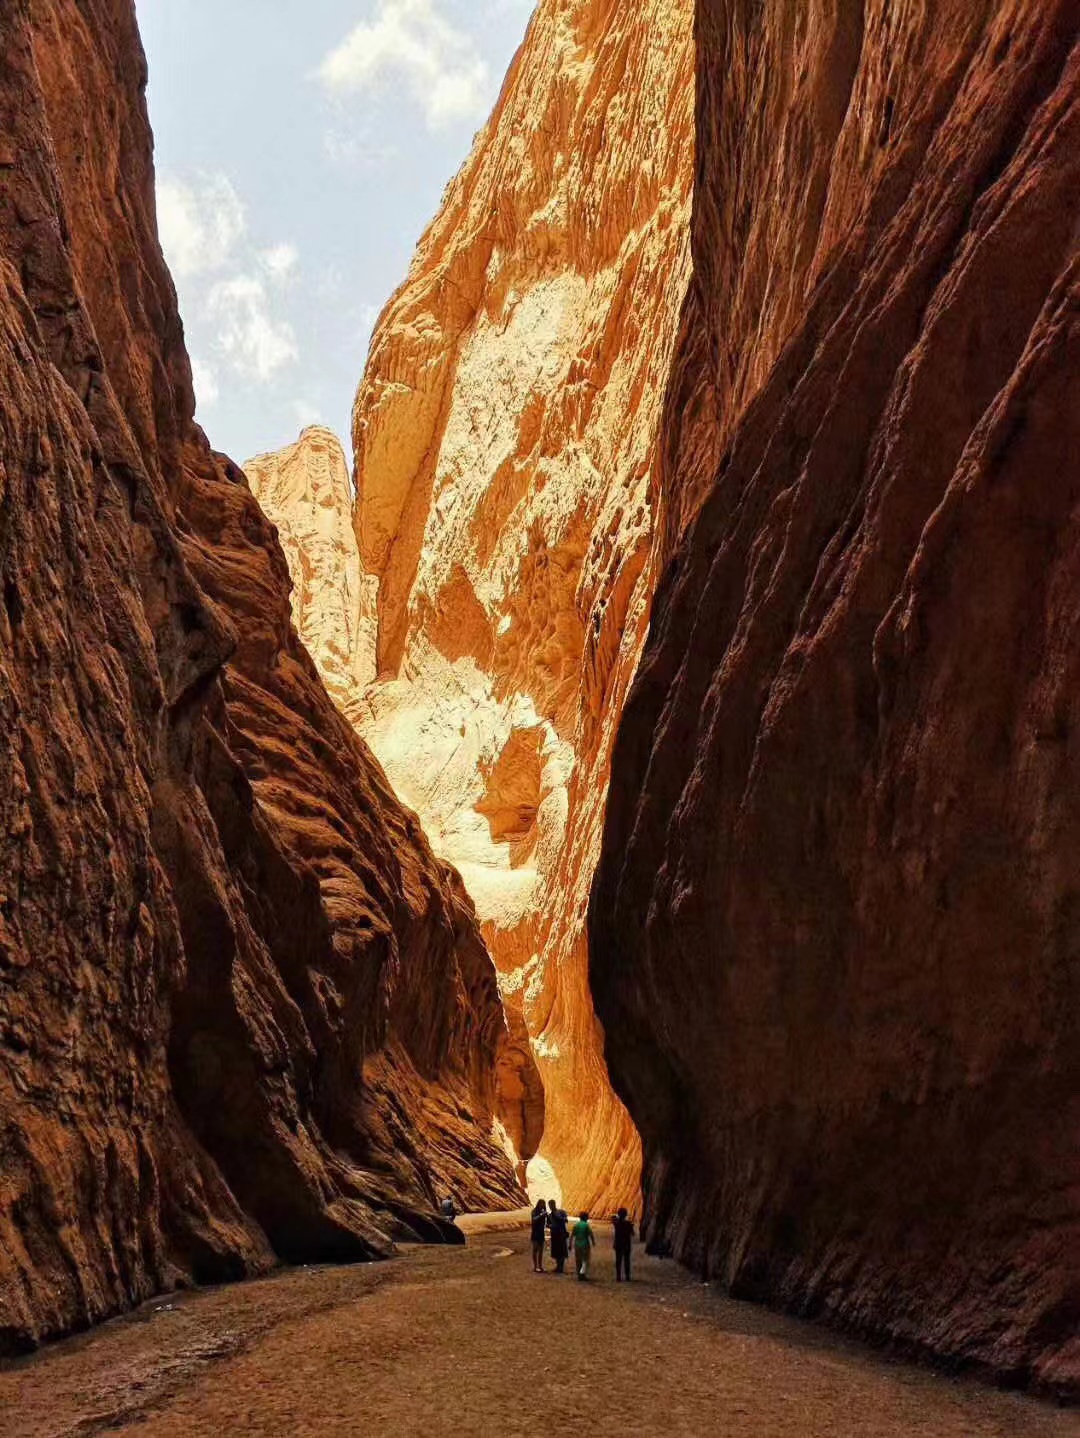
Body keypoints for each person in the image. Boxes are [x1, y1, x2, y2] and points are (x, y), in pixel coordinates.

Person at [547, 1199, 569, 1274]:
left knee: (561, 1250)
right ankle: (558, 1266)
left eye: (551, 1205)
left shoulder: (561, 1212)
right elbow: (547, 1224)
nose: (550, 1206)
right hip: (554, 1234)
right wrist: (551, 1226)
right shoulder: (550, 1215)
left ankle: (561, 1267)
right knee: (556, 1251)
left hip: (561, 1234)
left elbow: (565, 1220)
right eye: (549, 1205)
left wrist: (557, 1218)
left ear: (554, 1204)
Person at [612, 1207, 635, 1281]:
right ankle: (627, 1277)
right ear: (626, 1214)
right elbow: (632, 1234)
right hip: (626, 1244)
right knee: (626, 1260)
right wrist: (631, 1227)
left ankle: (618, 1276)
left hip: (618, 1244)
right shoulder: (628, 1224)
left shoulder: (616, 1223)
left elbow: (613, 1218)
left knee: (618, 1260)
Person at [571, 1211, 595, 1280]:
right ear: (586, 1218)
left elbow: (572, 1235)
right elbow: (591, 1234)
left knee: (578, 1260)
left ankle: (579, 1274)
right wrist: (593, 1242)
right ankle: (582, 1274)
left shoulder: (576, 1225)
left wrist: (570, 1244)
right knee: (585, 1260)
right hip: (585, 1244)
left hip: (577, 1244)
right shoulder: (586, 1225)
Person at [530, 1200, 548, 1272]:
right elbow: (534, 1219)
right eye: (541, 1204)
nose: (542, 1205)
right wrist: (541, 1215)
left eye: (543, 1204)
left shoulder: (543, 1212)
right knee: (535, 1249)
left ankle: (540, 1266)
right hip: (535, 1232)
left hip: (541, 1232)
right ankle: (535, 1266)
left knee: (540, 1250)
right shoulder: (534, 1211)